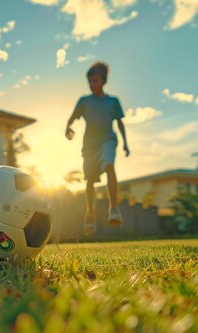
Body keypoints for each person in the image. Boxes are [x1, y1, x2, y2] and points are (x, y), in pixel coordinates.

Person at [65, 61, 129, 236]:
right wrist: (68, 128)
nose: (92, 85)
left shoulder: (113, 101)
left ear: (103, 80)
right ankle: (90, 212)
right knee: (90, 182)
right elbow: (72, 118)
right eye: (90, 82)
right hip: (89, 146)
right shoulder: (84, 101)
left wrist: (125, 143)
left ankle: (114, 208)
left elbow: (120, 123)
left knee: (109, 165)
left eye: (95, 81)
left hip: (108, 140)